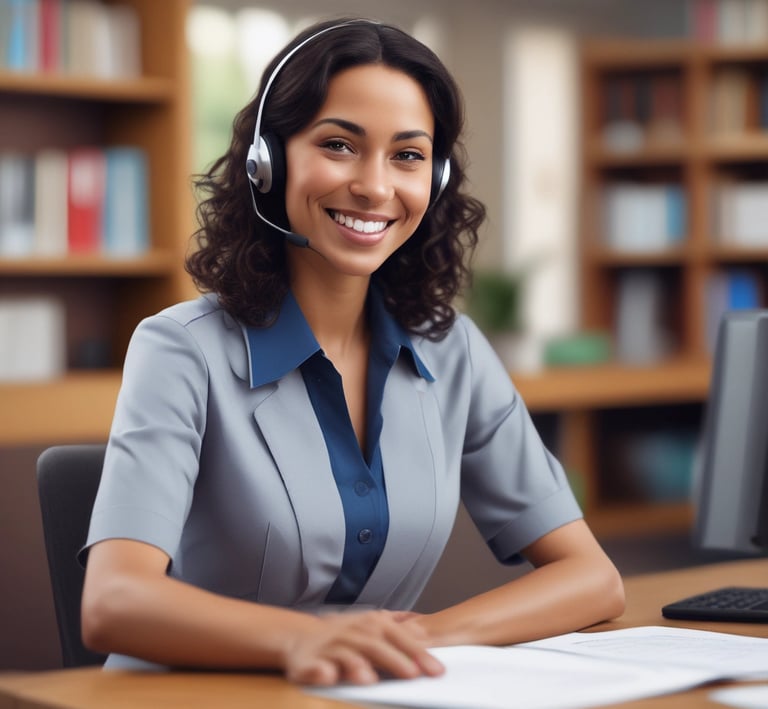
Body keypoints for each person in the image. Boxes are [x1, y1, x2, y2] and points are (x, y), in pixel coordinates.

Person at [80, 16, 624, 686]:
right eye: (339, 145)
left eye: (407, 155)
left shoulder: (451, 351)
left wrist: (416, 636)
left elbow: (592, 578)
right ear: (268, 162)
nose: (374, 186)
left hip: (361, 692)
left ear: (437, 179)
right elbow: (112, 601)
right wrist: (302, 638)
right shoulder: (179, 352)